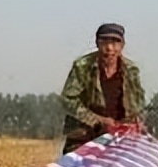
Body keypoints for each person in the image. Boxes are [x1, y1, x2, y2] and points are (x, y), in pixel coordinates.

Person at [59, 23, 146, 155]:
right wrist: (98, 121)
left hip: (119, 137)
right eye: (104, 42)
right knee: (75, 165)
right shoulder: (82, 67)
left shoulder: (131, 70)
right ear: (97, 43)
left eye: (115, 42)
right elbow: (68, 100)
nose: (109, 48)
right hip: (84, 136)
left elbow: (139, 104)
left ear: (122, 45)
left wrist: (136, 122)